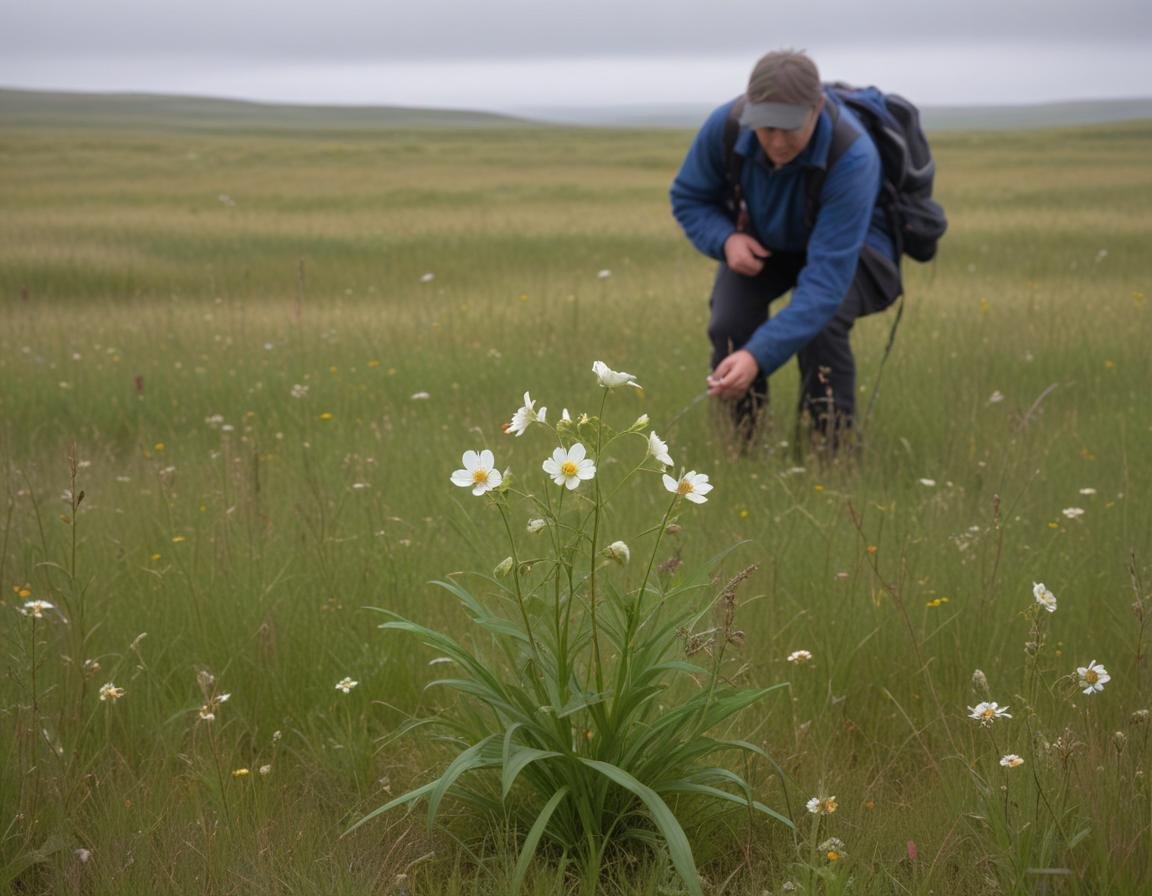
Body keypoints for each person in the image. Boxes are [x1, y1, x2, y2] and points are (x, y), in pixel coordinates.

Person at [670, 49, 902, 451]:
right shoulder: (724, 125)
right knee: (729, 327)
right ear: (748, 110)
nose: (777, 142)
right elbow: (689, 197)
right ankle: (742, 448)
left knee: (822, 328)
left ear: (817, 109)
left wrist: (758, 356)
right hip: (766, 243)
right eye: (765, 128)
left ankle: (829, 453)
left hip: (853, 249)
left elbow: (825, 284)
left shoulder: (853, 156)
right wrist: (725, 239)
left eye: (790, 128)